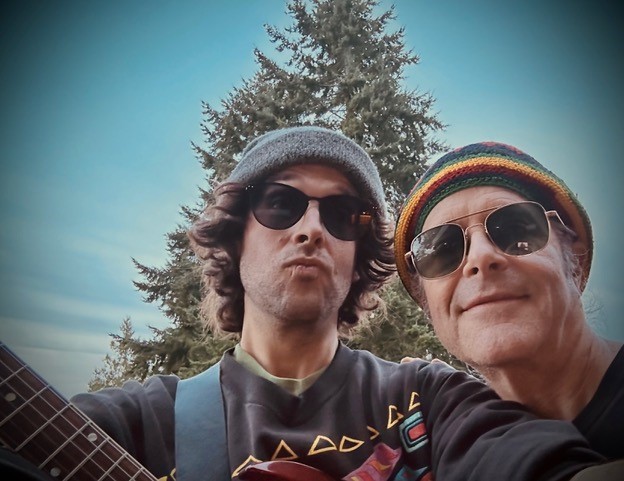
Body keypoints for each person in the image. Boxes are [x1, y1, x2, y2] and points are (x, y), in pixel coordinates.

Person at [26, 128, 609, 480]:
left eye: (342, 215)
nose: (310, 230)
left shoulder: (427, 399)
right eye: (280, 205)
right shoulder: (142, 422)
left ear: (359, 257)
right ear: (235, 237)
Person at [395, 141, 624, 465]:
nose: (480, 257)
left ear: (573, 258)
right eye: (442, 250)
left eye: (517, 231)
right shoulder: (435, 454)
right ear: (426, 302)